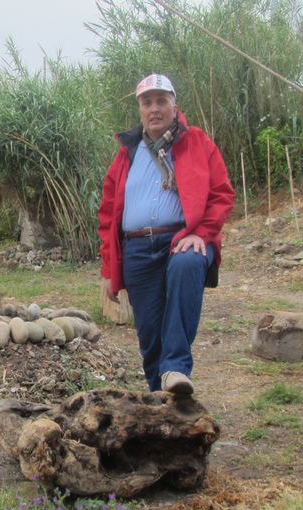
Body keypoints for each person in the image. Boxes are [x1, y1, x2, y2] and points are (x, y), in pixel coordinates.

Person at [97, 73, 234, 395]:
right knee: (149, 333)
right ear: (140, 110)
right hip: (136, 247)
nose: (154, 108)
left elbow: (221, 194)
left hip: (182, 240)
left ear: (174, 106)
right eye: (147, 103)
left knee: (189, 262)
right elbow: (107, 213)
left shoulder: (197, 141)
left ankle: (176, 367)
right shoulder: (126, 153)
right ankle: (161, 397)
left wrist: (202, 233)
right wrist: (108, 268)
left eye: (161, 101)